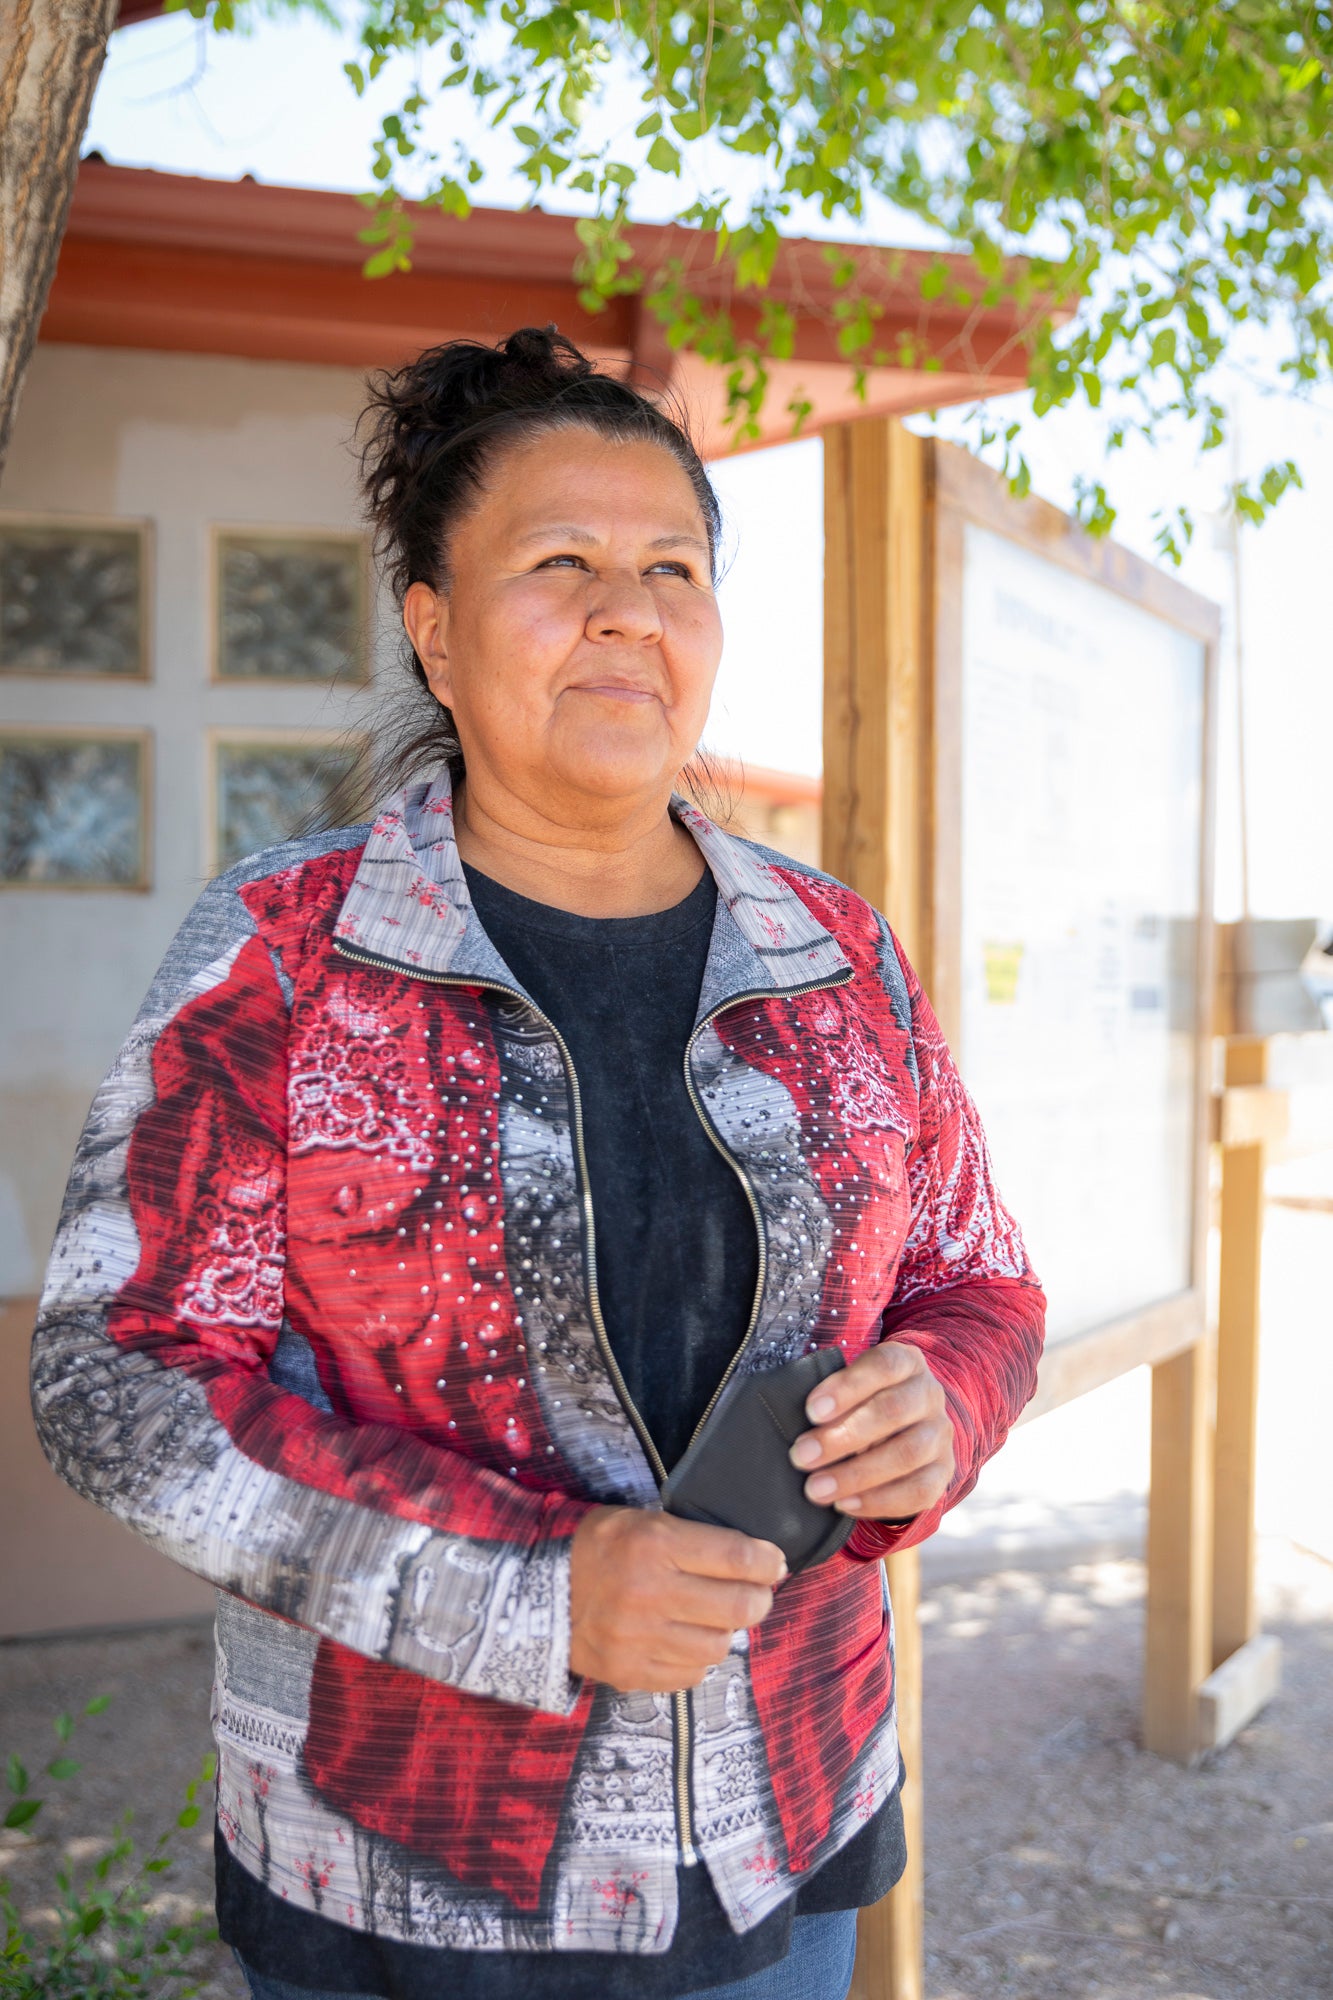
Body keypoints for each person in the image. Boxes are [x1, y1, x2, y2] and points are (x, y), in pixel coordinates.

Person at [31, 326, 1046, 2000]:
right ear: (432, 630)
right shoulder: (287, 954)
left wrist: (948, 1392)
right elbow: (117, 1378)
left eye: (670, 566)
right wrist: (528, 1587)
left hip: (787, 1818)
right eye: (558, 561)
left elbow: (975, 1274)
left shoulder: (832, 952)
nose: (627, 609)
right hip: (411, 1873)